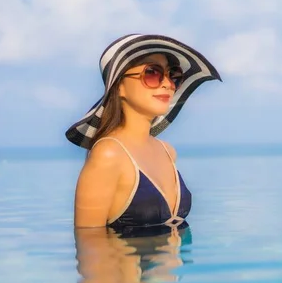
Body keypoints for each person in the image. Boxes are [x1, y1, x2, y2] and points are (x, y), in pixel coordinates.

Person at [66, 34, 221, 229]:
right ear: (120, 86)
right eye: (152, 73)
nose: (168, 84)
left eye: (173, 75)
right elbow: (89, 245)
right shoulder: (109, 154)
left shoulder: (167, 151)